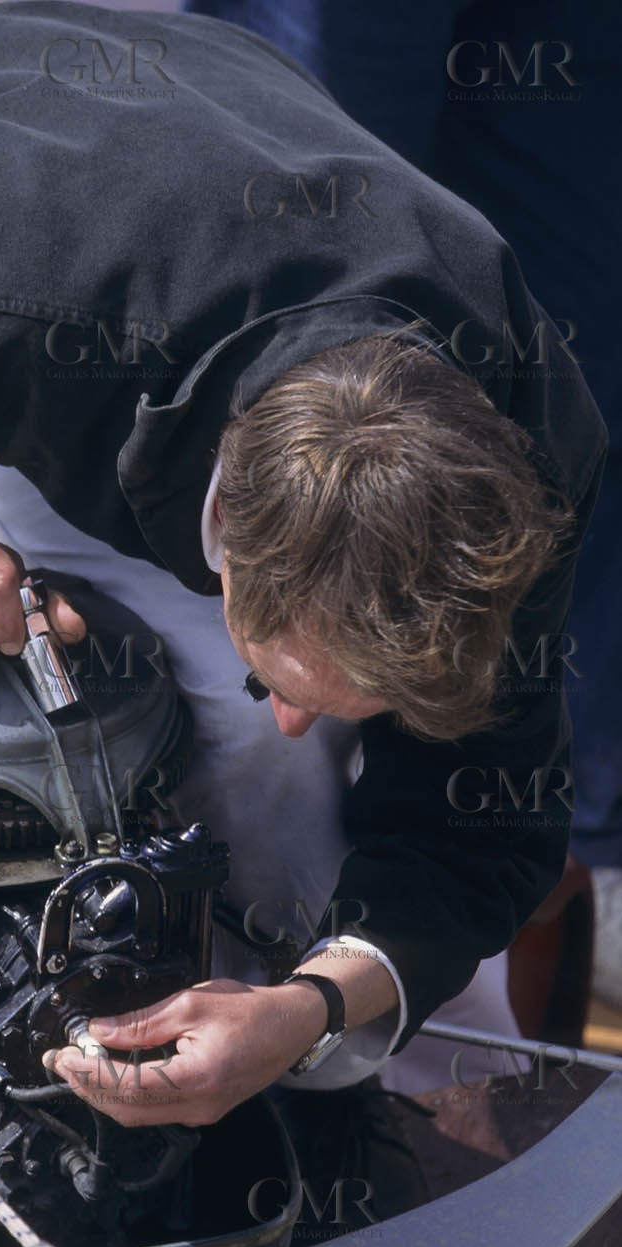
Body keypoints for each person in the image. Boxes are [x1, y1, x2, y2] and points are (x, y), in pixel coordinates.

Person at [0, 1, 606, 1129]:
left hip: (227, 174)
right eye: (290, 681)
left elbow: (486, 825)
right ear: (223, 561)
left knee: (312, 767)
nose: (299, 720)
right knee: (230, 750)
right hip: (43, 224)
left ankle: (379, 1084)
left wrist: (315, 1008)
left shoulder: (528, 456)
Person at [181, 0, 622, 1004]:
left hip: (507, 375)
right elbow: (329, 114)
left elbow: (331, 112)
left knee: (507, 787)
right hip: (458, 384)